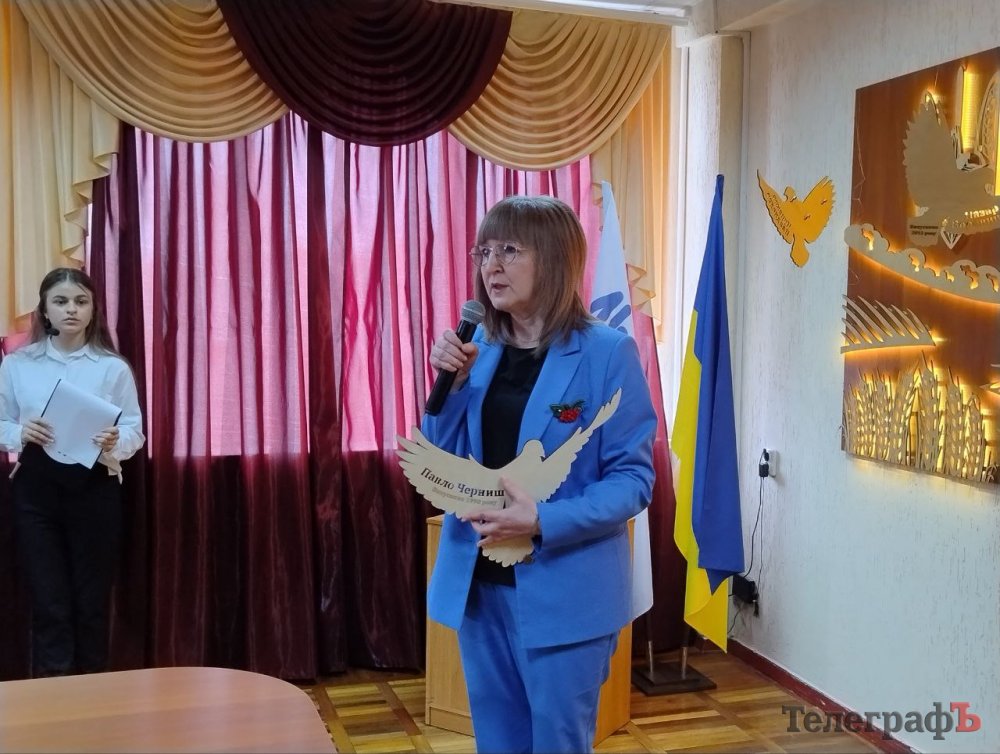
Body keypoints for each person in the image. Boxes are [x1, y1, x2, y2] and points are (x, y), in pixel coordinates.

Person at [423, 195, 657, 753]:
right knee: (498, 742)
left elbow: (632, 479)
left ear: (553, 258)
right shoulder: (478, 347)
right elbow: (442, 454)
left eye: (509, 250)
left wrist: (543, 520)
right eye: (484, 251)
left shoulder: (607, 353)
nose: (491, 265)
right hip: (480, 583)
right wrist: (451, 390)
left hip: (564, 590)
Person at [0, 267, 145, 677]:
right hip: (36, 492)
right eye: (61, 301)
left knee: (91, 602)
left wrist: (116, 440)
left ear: (93, 309)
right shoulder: (17, 364)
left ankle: (92, 696)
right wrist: (19, 432)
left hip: (95, 489)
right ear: (44, 310)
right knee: (50, 603)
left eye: (81, 301)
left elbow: (135, 431)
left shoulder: (112, 368)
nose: (71, 310)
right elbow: (2, 422)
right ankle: (55, 698)